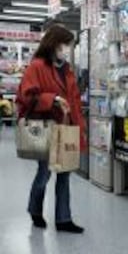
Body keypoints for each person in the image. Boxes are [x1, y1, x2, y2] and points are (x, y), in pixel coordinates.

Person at [16, 25, 86, 234]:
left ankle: (64, 219)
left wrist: (80, 128)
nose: (67, 49)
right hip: (45, 128)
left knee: (64, 174)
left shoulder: (68, 71)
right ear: (54, 44)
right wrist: (52, 99)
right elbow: (25, 97)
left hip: (65, 128)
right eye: (64, 44)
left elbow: (74, 102)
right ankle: (35, 210)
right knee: (44, 173)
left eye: (69, 45)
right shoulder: (36, 67)